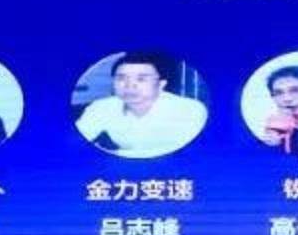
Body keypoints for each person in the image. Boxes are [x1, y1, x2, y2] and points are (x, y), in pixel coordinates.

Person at [74, 53, 209, 157]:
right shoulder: (101, 107)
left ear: (161, 85)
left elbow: (191, 154)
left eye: (141, 79)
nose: (129, 86)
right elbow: (76, 142)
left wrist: (118, 153)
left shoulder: (190, 110)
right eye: (121, 78)